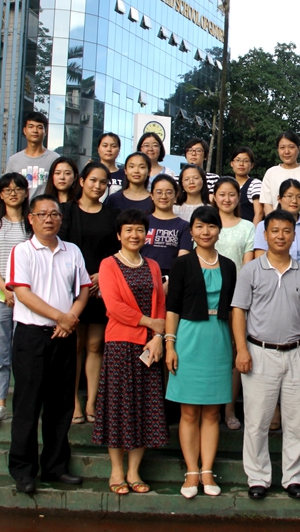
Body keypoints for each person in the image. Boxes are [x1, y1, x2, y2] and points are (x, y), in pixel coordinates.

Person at [6, 194, 91, 495]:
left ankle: (55, 466)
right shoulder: (22, 251)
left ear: (60, 218)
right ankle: (23, 470)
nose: (48, 219)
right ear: (31, 219)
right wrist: (61, 317)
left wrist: (70, 319)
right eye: (42, 214)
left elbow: (84, 289)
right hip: (32, 337)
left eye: (54, 214)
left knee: (61, 406)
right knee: (28, 405)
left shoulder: (72, 251)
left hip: (64, 336)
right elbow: (22, 294)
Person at [232, 209, 300, 500]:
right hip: (259, 353)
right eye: (275, 231)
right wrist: (242, 349)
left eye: (286, 231)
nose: (281, 236)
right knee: (257, 421)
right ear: (265, 234)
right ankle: (258, 478)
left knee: (297, 421)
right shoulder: (251, 270)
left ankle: (293, 478)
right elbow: (238, 311)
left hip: (296, 353)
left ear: (294, 236)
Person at [92, 209, 168, 495]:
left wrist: (158, 336)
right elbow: (114, 306)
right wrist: (150, 323)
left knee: (144, 409)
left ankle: (134, 471)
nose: (134, 235)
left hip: (149, 346)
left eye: (139, 230)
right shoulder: (109, 264)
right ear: (119, 235)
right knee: (118, 409)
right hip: (120, 345)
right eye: (128, 230)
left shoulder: (153, 265)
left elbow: (160, 304)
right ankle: (116, 471)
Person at [165, 206, 237, 498]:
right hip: (188, 338)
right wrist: (169, 344)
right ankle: (191, 471)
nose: (205, 232)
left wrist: (237, 345)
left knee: (212, 411)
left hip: (218, 338)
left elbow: (234, 309)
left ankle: (207, 470)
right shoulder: (182, 264)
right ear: (191, 231)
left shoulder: (229, 266)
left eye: (211, 226)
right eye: (199, 226)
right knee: (189, 411)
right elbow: (172, 308)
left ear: (219, 230)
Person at [59, 162, 120, 424]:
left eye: (103, 182)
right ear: (82, 181)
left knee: (96, 345)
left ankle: (92, 402)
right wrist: (83, 277)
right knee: (74, 345)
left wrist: (102, 276)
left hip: (100, 287)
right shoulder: (66, 211)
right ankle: (73, 401)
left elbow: (117, 252)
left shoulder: (112, 214)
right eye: (93, 180)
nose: (98, 186)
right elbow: (60, 248)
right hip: (70, 286)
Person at [0, 173, 31, 426]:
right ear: (1, 194)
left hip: (27, 297)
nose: (13, 193)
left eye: (17, 188)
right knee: (0, 352)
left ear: (25, 192)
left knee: (24, 352)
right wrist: (6, 288)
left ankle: (25, 404)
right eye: (7, 189)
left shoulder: (31, 224)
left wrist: (19, 292)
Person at [213, 176, 255, 430]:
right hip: (207, 298)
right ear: (214, 197)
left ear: (238, 198)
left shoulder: (248, 227)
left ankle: (229, 410)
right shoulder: (206, 223)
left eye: (231, 194)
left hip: (237, 298)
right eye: (222, 194)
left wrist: (239, 297)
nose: (227, 199)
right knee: (214, 353)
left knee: (236, 351)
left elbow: (247, 266)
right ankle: (211, 408)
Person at [254, 179, 300, 267]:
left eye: (299, 197)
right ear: (279, 198)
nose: (294, 201)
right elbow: (260, 260)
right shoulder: (264, 225)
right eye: (289, 196)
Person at [142, 174, 193, 281]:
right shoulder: (142, 222)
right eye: (159, 192)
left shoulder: (184, 226)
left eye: (169, 192)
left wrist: (171, 281)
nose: (164, 196)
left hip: (171, 278)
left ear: (176, 195)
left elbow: (182, 261)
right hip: (142, 275)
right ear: (151, 195)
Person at [259, 131, 300, 216]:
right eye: (282, 147)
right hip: (276, 222)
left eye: (291, 147)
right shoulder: (271, 173)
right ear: (278, 150)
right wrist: (273, 222)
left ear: (299, 149)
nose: (286, 151)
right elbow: (267, 205)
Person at [5, 112, 59, 199]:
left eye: (39, 127)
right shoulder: (14, 160)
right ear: (24, 130)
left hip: (45, 206)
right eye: (31, 126)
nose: (35, 131)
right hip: (21, 207)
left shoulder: (54, 159)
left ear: (45, 132)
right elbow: (7, 187)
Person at [229, 146, 263, 225]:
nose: (241, 164)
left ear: (252, 165)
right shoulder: (227, 185)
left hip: (248, 230)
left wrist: (253, 231)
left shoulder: (255, 184)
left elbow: (259, 212)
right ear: (232, 163)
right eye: (238, 160)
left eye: (246, 161)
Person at [96, 133, 124, 200]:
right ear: (98, 149)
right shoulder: (91, 172)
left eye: (113, 146)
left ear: (119, 150)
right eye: (105, 146)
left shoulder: (125, 175)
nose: (109, 149)